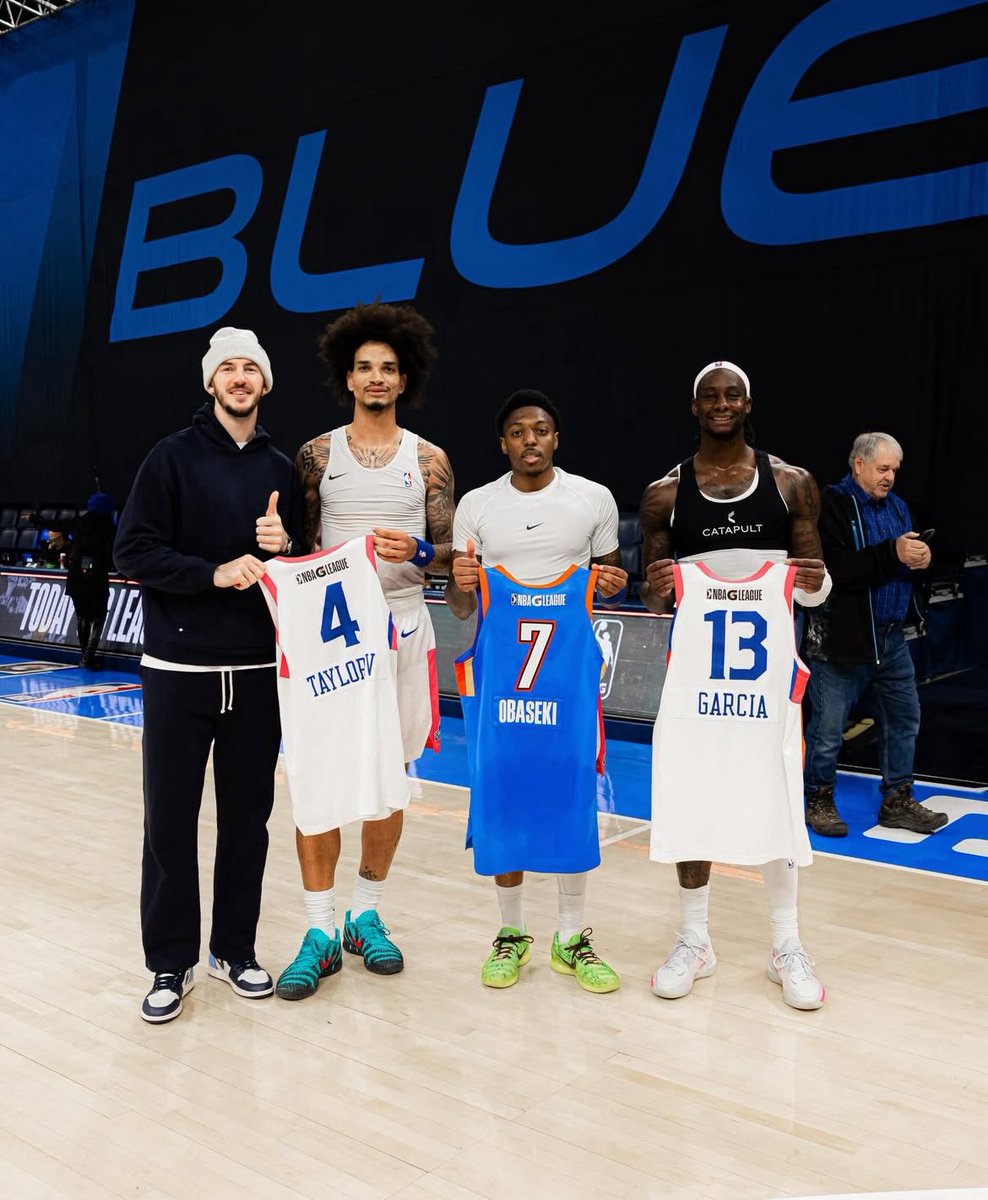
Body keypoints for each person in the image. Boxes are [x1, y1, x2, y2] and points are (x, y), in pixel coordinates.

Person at [114, 327, 302, 1024]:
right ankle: (170, 962)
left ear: (265, 383)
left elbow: (299, 569)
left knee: (248, 823)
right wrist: (211, 573)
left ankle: (234, 950)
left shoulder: (281, 467)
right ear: (210, 382)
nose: (240, 377)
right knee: (169, 822)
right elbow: (133, 550)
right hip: (179, 670)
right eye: (228, 368)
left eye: (251, 367)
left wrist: (287, 546)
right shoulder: (170, 457)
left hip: (256, 672)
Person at [640, 361, 832, 1011]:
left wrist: (815, 582)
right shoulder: (664, 494)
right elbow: (656, 599)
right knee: (691, 798)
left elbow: (815, 585)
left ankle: (787, 944)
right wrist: (657, 589)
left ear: (748, 404)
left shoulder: (792, 483)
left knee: (776, 796)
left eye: (732, 395)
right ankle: (695, 940)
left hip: (766, 683)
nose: (721, 404)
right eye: (709, 397)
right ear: (694, 407)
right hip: (696, 679)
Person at [276, 301, 453, 1000]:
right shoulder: (315, 456)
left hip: (404, 627)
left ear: (404, 380)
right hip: (331, 636)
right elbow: (300, 546)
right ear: (347, 378)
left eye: (388, 368)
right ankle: (319, 929)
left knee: (390, 777)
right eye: (364, 367)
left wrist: (421, 552)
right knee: (317, 776)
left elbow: (449, 559)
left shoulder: (430, 460)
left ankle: (364, 914)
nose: (376, 378)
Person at [447, 390, 628, 993]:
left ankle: (571, 937)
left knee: (572, 800)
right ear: (503, 443)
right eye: (519, 431)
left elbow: (611, 581)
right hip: (501, 691)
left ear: (556, 438)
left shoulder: (592, 499)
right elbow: (462, 606)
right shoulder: (476, 506)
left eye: (542, 429)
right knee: (502, 801)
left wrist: (614, 582)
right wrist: (461, 582)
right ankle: (512, 932)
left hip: (566, 690)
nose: (531, 439)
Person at [802, 433, 947, 837]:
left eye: (894, 470)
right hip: (840, 641)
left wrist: (923, 559)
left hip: (891, 639)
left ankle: (897, 800)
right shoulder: (831, 505)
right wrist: (892, 554)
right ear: (859, 464)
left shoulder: (898, 506)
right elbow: (832, 570)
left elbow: (902, 556)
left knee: (904, 719)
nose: (890, 477)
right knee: (828, 731)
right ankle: (818, 798)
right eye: (883, 469)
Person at [65, 492, 117, 669]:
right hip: (96, 576)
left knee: (82, 617)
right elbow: (111, 552)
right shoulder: (108, 526)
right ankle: (88, 657)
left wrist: (35, 519)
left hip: (75, 574)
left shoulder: (80, 522)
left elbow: (58, 524)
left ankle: (84, 656)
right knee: (98, 616)